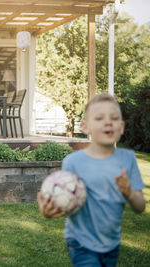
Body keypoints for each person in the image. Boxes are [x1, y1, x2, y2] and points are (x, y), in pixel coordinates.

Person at [37, 93, 146, 267]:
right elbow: (66, 198)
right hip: (80, 242)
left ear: (122, 126)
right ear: (85, 127)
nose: (108, 122)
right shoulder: (73, 162)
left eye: (114, 118)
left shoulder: (127, 160)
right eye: (99, 118)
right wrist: (48, 209)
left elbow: (140, 207)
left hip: (111, 244)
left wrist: (129, 193)